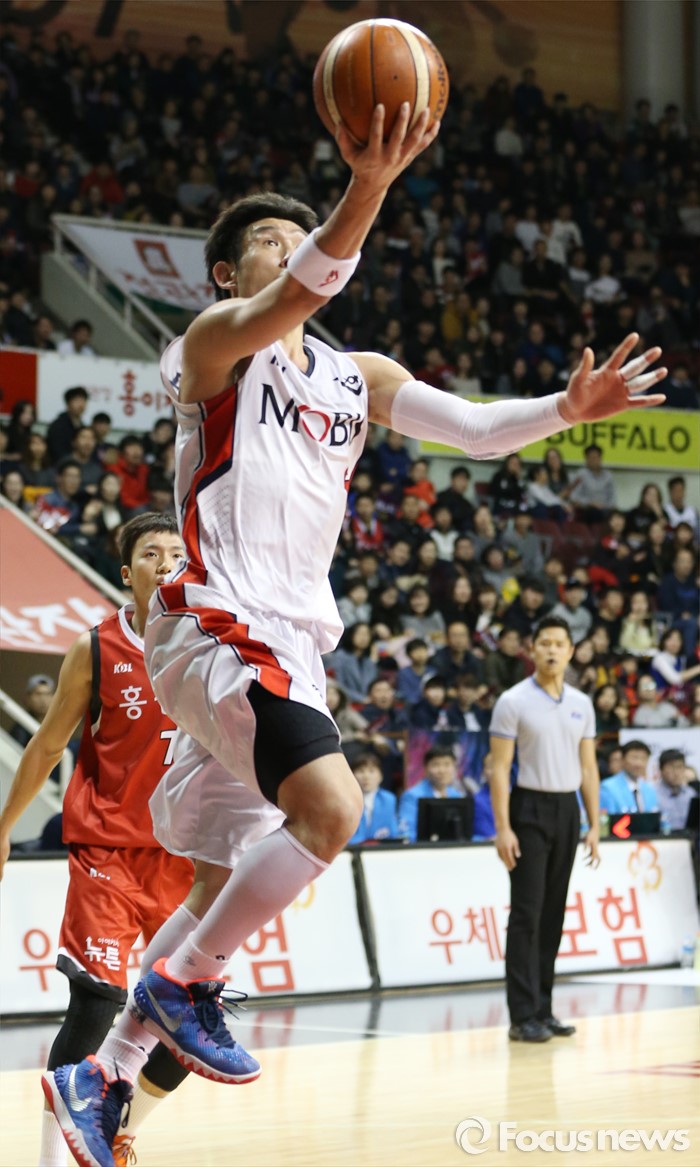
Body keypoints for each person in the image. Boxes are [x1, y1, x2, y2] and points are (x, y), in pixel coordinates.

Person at [47, 103, 667, 1162]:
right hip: (218, 621)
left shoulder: (354, 376)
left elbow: (476, 430)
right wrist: (370, 182)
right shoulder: (211, 349)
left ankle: (102, 1077)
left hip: (291, 647)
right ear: (227, 277)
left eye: (301, 236)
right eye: (269, 243)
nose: (292, 252)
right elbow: (298, 292)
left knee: (219, 887)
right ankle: (177, 987)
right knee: (333, 809)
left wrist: (567, 410)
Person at [1, 516, 213, 1167]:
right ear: (128, 573)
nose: (166, 561)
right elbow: (46, 746)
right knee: (96, 1004)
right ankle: (50, 1159)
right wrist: (3, 827)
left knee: (193, 1024)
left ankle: (121, 1129)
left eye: (177, 552)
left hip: (185, 856)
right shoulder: (95, 647)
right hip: (107, 852)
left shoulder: (213, 643)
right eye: (151, 553)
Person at [489, 616, 600, 1043]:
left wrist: (595, 823)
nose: (552, 650)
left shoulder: (582, 703)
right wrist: (503, 827)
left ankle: (543, 1008)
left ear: (570, 651)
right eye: (545, 643)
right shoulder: (513, 701)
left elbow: (588, 768)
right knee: (527, 913)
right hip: (529, 808)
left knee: (553, 913)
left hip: (568, 809)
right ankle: (521, 1016)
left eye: (559, 643)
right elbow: (500, 768)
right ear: (532, 649)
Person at [398, 746, 467, 842]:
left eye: (447, 764)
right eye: (436, 765)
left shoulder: (457, 796)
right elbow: (406, 833)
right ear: (426, 769)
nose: (442, 771)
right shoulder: (412, 796)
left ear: (454, 768)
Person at [347, 751, 400, 843]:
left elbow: (393, 832)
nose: (366, 776)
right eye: (361, 771)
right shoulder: (346, 800)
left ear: (381, 776)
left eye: (371, 771)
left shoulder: (389, 799)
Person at [599, 739, 659, 813]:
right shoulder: (608, 788)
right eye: (634, 758)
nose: (638, 763)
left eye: (643, 758)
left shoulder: (649, 789)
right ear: (623, 759)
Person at [655, 748, 697, 831]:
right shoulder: (653, 794)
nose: (676, 772)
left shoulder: (690, 793)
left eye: (680, 767)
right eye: (671, 767)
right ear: (661, 770)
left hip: (690, 837)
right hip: (664, 837)